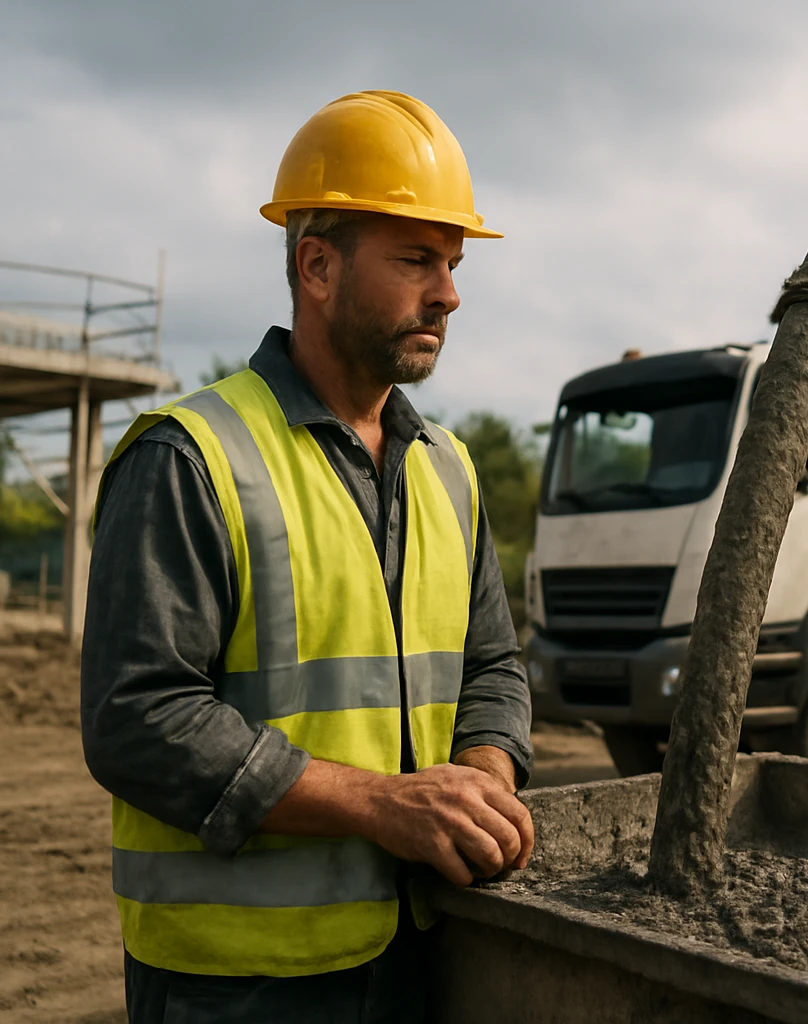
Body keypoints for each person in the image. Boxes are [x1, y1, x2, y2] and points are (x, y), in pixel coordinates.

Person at [79, 90, 534, 1024]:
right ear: (316, 265)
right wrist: (380, 805)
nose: (449, 293)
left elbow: (491, 666)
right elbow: (137, 716)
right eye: (415, 259)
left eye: (452, 264)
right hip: (235, 985)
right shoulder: (190, 456)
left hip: (421, 953)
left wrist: (482, 784)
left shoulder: (448, 469)